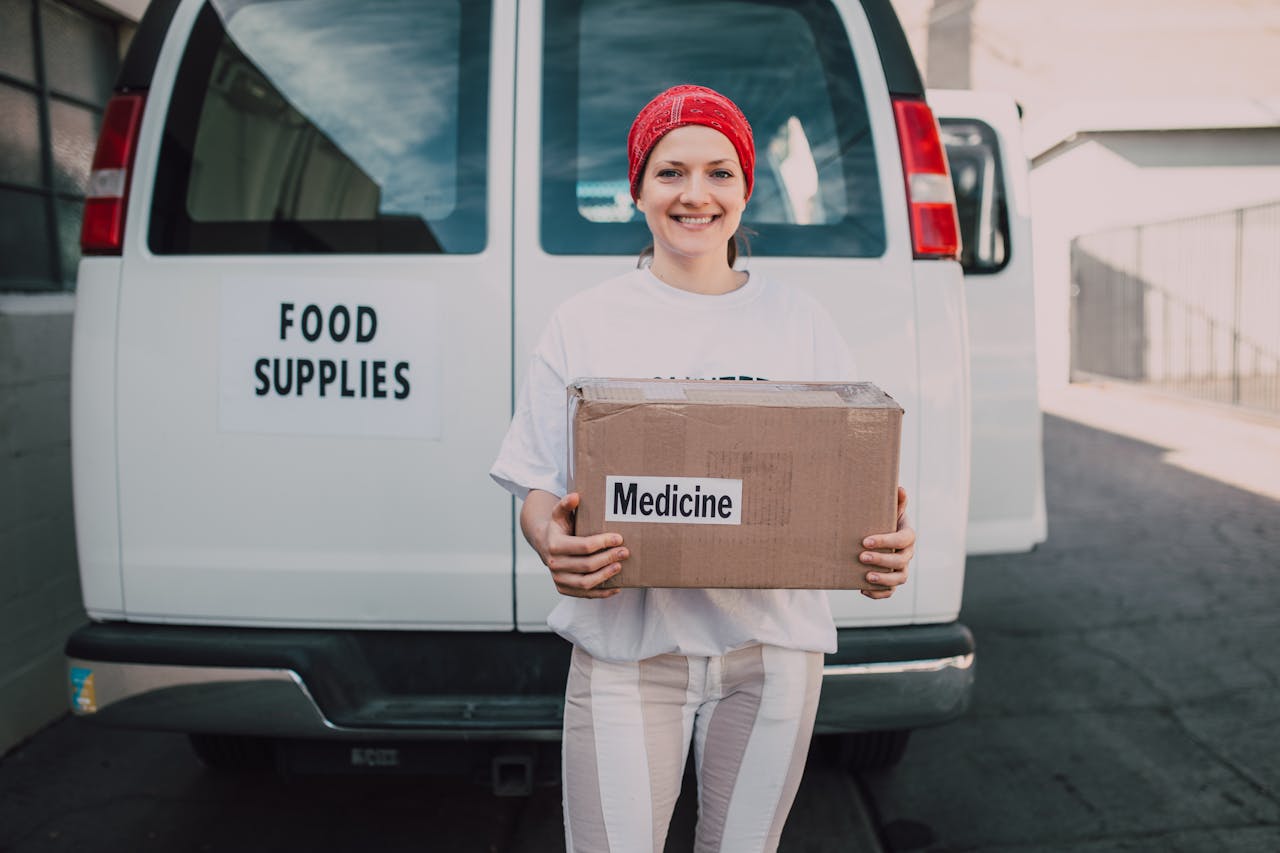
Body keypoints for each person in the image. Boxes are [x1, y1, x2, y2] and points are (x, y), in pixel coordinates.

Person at [490, 84, 915, 853]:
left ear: (747, 188)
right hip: (627, 651)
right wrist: (549, 539)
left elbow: (857, 483)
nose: (696, 194)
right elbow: (538, 484)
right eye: (671, 172)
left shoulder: (800, 321)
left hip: (773, 655)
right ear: (638, 189)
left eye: (720, 172)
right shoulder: (584, 320)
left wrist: (888, 542)